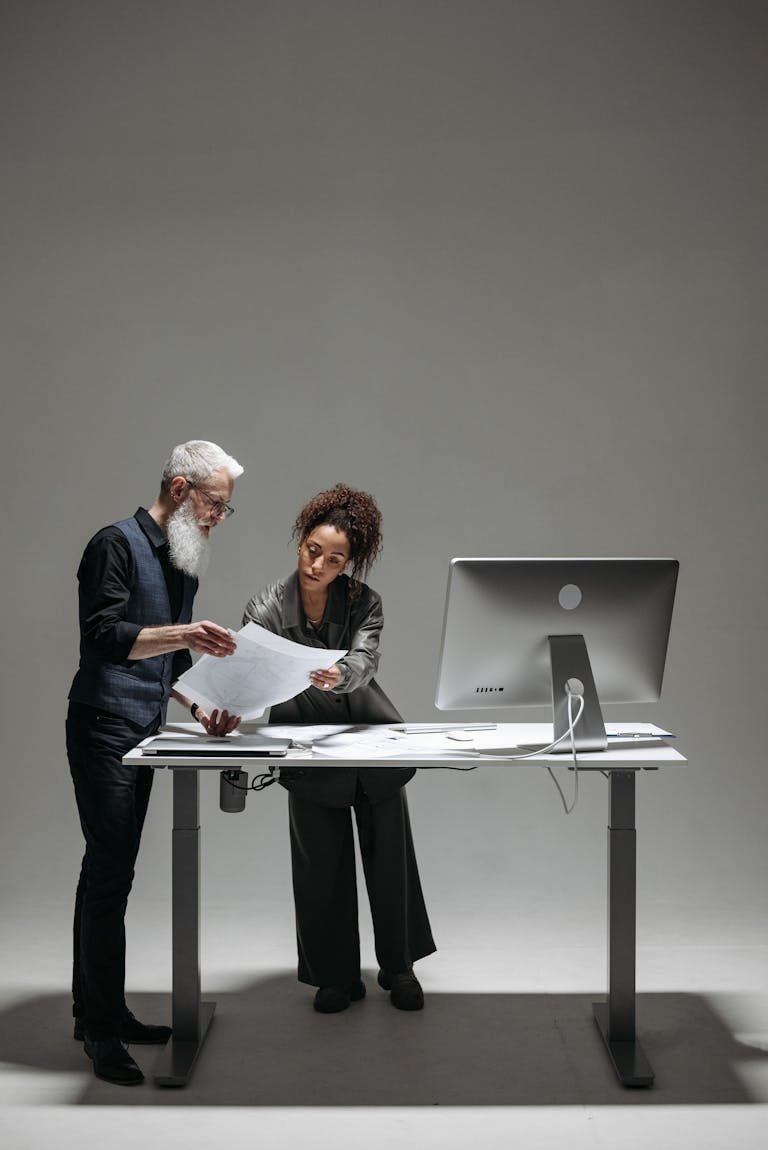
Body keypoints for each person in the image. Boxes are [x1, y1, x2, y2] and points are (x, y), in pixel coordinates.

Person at [67, 440, 244, 1085]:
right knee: (110, 874)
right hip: (101, 726)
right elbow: (105, 637)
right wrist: (186, 635)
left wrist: (201, 708)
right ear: (179, 488)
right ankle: (103, 1035)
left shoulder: (182, 563)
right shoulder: (112, 544)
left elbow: (168, 661)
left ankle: (99, 1012)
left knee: (111, 873)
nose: (219, 519)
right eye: (215, 505)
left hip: (144, 727)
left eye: (226, 509)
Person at [242, 483, 435, 1014]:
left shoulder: (364, 602)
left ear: (351, 562)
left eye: (335, 558)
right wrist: (226, 700)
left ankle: (399, 969)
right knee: (319, 866)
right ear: (300, 540)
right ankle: (334, 977)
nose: (319, 565)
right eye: (313, 550)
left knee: (391, 863)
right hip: (303, 744)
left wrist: (341, 672)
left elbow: (366, 659)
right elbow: (250, 669)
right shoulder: (263, 605)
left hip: (368, 739)